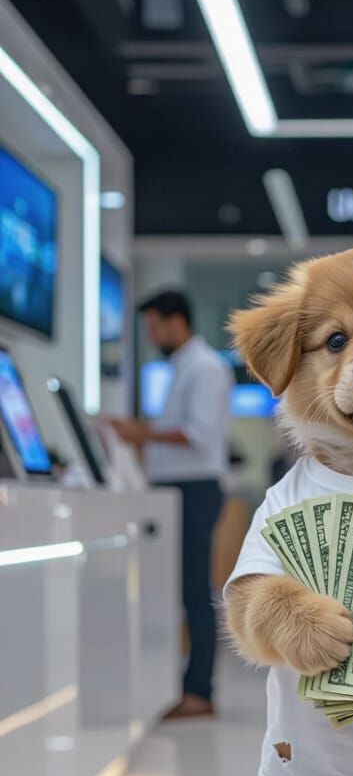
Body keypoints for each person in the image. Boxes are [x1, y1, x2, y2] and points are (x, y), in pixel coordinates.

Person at [110, 290, 233, 719]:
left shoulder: (205, 369)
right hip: (178, 490)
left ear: (177, 321)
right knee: (182, 590)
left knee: (195, 592)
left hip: (193, 489)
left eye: (155, 327)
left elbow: (197, 435)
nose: (153, 335)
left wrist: (142, 434)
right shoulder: (183, 368)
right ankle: (186, 686)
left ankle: (200, 691)